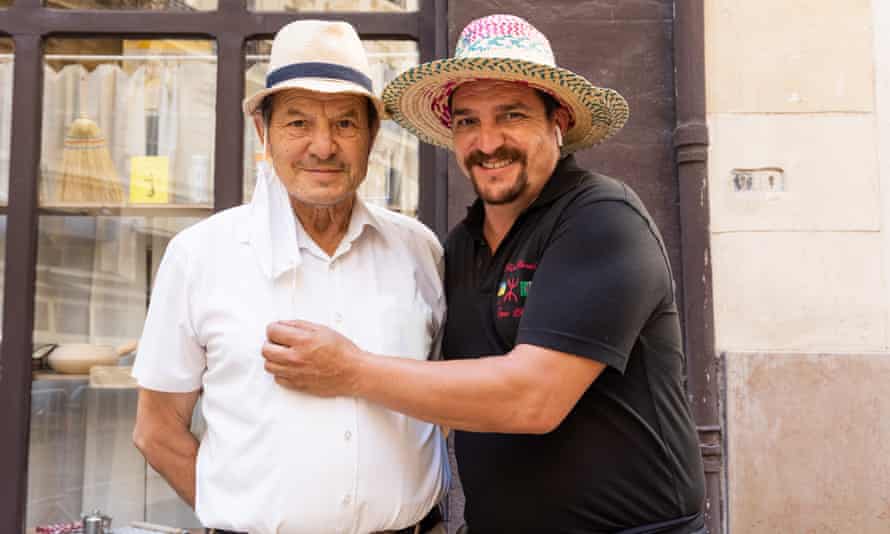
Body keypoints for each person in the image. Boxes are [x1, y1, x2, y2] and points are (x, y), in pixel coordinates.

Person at [262, 14, 708, 534]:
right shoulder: (458, 247)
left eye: (511, 115)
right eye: (468, 121)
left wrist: (351, 370)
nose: (488, 141)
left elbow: (533, 399)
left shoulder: (602, 219)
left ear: (557, 121)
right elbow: (442, 394)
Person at [132, 19, 449, 534]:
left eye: (345, 124)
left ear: (373, 135)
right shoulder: (200, 255)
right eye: (298, 123)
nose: (322, 147)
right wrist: (238, 516)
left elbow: (445, 400)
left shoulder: (418, 250)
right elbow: (156, 432)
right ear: (264, 132)